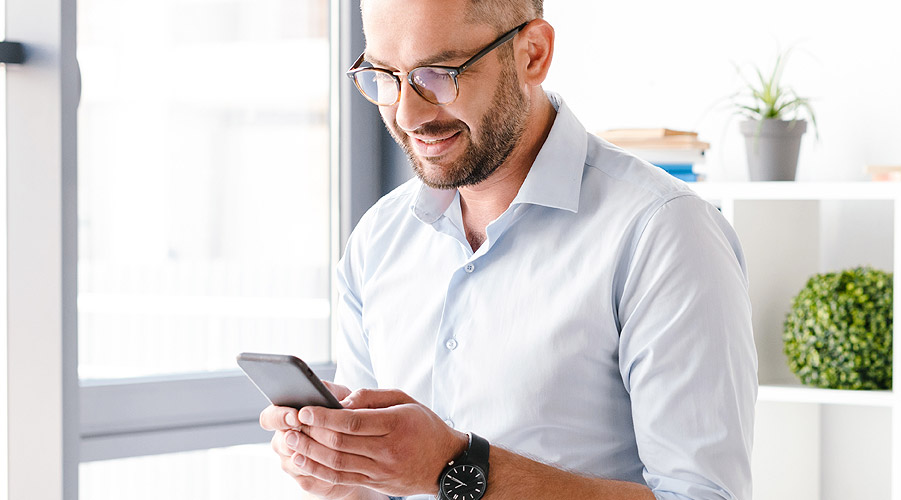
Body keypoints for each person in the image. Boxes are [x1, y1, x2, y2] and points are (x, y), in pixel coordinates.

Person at [257, 1, 756, 498]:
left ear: (532, 54)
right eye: (386, 75)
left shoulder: (663, 232)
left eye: (439, 73)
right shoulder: (378, 239)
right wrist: (338, 470)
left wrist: (453, 467)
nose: (407, 113)